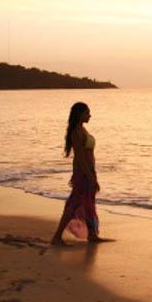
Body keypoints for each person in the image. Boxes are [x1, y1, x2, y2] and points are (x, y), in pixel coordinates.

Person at [51, 102, 106, 245]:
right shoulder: (76, 131)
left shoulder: (82, 129)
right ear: (80, 114)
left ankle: (92, 234)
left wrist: (92, 174)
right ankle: (57, 236)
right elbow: (80, 157)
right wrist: (89, 176)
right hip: (83, 172)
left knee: (88, 203)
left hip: (88, 170)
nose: (90, 115)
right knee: (74, 204)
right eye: (87, 113)